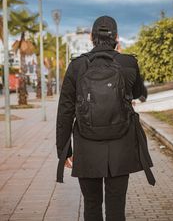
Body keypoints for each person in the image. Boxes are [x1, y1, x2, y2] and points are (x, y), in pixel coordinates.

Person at [56, 16, 155, 221]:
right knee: (116, 206)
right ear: (117, 37)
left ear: (91, 37)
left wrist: (64, 150)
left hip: (86, 146)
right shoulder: (128, 63)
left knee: (92, 205)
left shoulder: (76, 66)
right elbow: (138, 92)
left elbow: (65, 111)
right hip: (121, 146)